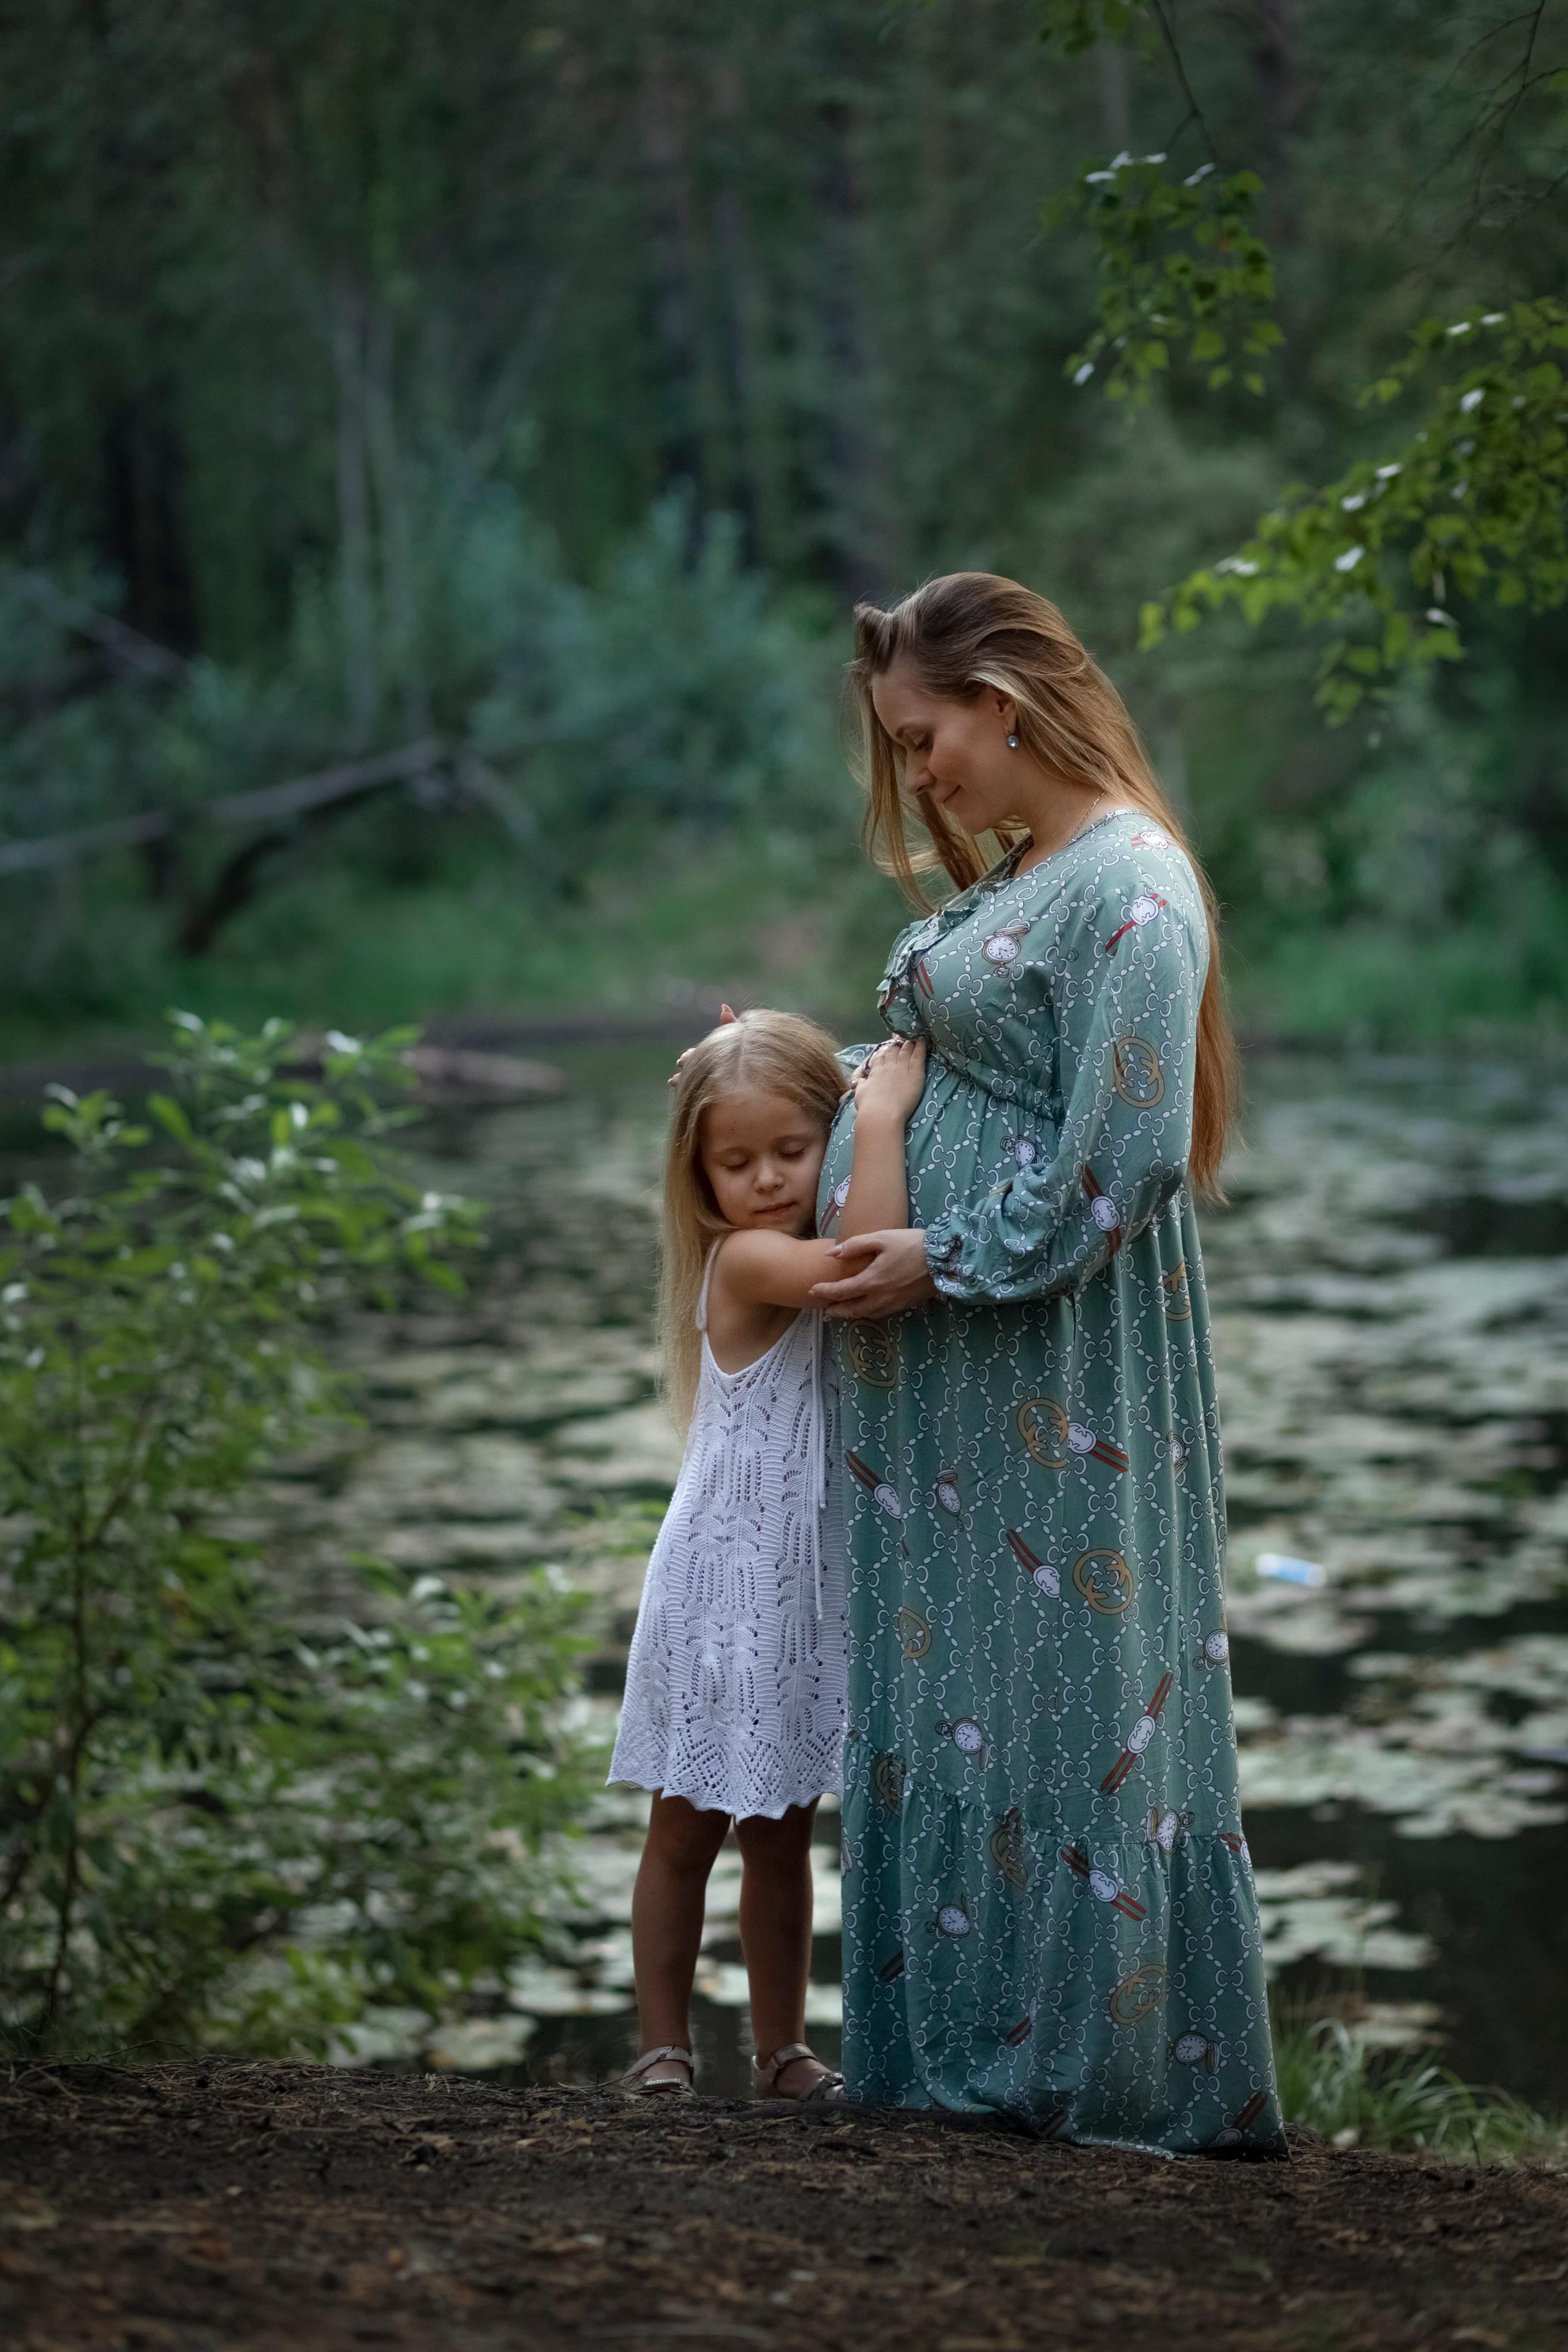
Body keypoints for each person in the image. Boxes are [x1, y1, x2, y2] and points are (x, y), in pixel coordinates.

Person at [805, 572, 1285, 2154]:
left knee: (1069, 1699)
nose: (919, 772)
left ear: (1002, 706)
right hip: (953, 1387)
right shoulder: (1036, 873)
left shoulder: (1131, 886)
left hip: (1046, 1367)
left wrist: (939, 1252)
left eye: (927, 736)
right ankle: (953, 2057)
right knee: (962, 1698)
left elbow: (1123, 1162)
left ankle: (1084, 2074)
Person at [611, 1009, 927, 2101]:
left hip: (794, 1594)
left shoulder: (771, 1239)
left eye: (793, 1151)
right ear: (700, 1182)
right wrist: (879, 1115)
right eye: (734, 1162)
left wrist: (831, 1081)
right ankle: (663, 2046)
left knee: (785, 1836)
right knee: (685, 1828)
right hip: (721, 1588)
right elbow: (865, 1262)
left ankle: (782, 2049)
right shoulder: (748, 1261)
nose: (765, 1180)